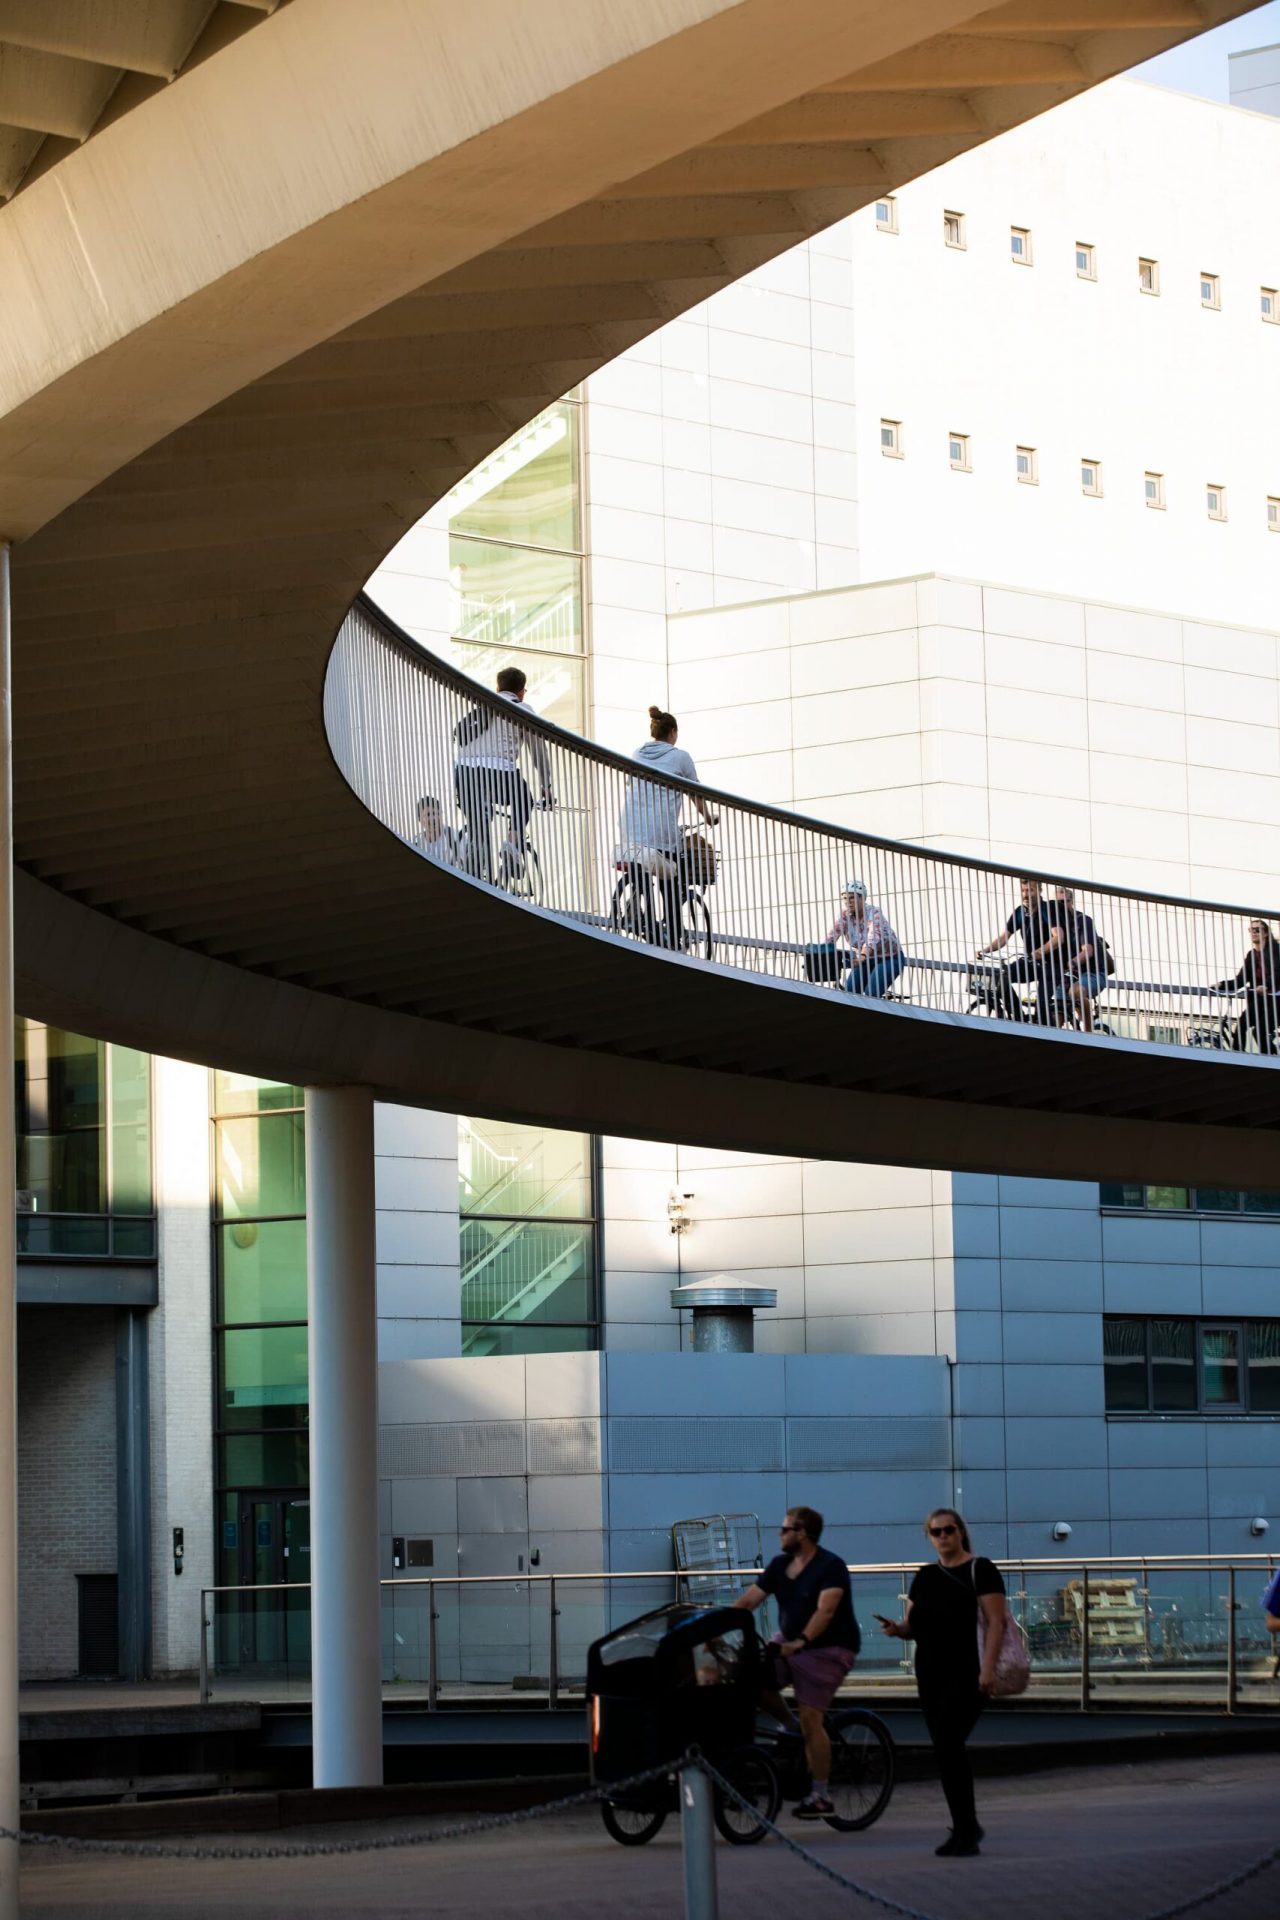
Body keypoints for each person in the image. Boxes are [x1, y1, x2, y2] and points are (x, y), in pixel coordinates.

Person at [876, 1508, 1006, 1857]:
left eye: (949, 1530)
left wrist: (988, 1668)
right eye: (936, 1532)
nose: (943, 1536)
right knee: (947, 1751)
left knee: (949, 1746)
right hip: (930, 1671)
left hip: (968, 1671)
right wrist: (896, 1629)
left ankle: (966, 1829)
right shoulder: (925, 1576)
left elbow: (997, 1623)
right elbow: (912, 1625)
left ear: (961, 1532)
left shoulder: (982, 1570)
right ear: (929, 1537)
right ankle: (965, 1827)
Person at [732, 1505, 861, 1820]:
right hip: (788, 1642)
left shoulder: (831, 1566)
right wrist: (715, 1625)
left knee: (810, 1718)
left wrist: (801, 1642)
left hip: (830, 1648)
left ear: (802, 1533)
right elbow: (749, 1601)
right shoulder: (779, 1565)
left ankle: (820, 1795)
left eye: (786, 1528)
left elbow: (825, 1611)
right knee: (749, 1679)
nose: (780, 1533)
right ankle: (789, 1728)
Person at [616, 706, 717, 948]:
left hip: (630, 827)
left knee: (645, 864)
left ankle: (634, 906)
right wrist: (709, 817)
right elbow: (696, 793)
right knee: (671, 878)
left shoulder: (638, 753)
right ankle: (672, 936)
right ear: (672, 732)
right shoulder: (680, 756)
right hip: (660, 830)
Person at [453, 666, 555, 884]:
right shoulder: (522, 709)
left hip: (463, 772)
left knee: (478, 821)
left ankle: (471, 847)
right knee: (524, 799)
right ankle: (512, 842)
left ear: (497, 687)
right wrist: (546, 785)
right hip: (500, 772)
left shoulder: (482, 704)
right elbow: (538, 751)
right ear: (521, 692)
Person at [974, 878, 1062, 1023]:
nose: (1026, 894)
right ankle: (1018, 1017)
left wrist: (1039, 952)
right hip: (1030, 962)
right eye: (1023, 891)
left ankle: (1052, 1034)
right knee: (1001, 979)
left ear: (1039, 891)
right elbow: (1004, 938)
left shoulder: (1047, 910)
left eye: (1030, 890)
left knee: (1042, 1007)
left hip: (1051, 966)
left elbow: (1058, 937)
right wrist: (985, 950)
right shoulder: (1020, 912)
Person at [804, 879, 904, 997]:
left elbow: (873, 937)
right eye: (845, 898)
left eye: (852, 898)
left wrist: (861, 957)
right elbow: (831, 937)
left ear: (862, 898)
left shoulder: (875, 913)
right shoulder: (844, 916)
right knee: (849, 992)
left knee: (871, 993)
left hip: (889, 958)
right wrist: (818, 957)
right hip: (865, 960)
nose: (848, 902)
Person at [1051, 885, 1112, 1032]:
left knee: (1075, 991)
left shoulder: (1083, 921)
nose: (1059, 907)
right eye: (1056, 903)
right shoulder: (1056, 927)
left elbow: (1088, 951)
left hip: (1093, 973)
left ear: (1070, 902)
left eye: (1063, 902)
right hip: (1068, 976)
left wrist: (1072, 962)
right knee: (1056, 1014)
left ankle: (1089, 1034)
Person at [1215, 919, 1279, 1055]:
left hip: (1276, 1000)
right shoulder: (1251, 955)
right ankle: (1238, 1056)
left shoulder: (1275, 950)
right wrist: (1221, 984)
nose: (1253, 933)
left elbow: (1277, 972)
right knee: (1242, 1025)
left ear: (1266, 933)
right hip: (1261, 1001)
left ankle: (1272, 1058)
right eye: (1251, 930)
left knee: (1260, 1031)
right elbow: (1240, 980)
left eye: (1257, 930)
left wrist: (1265, 985)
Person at [412, 795, 462, 865]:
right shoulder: (416, 843)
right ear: (420, 819)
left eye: (436, 813)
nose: (434, 818)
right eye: (428, 814)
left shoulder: (455, 837)